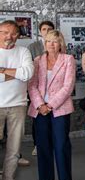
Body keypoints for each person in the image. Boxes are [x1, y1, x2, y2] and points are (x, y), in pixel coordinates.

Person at [28, 30, 76, 180]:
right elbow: (32, 85)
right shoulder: (37, 60)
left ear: (60, 43)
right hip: (39, 109)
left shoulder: (68, 60)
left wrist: (50, 105)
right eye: (48, 41)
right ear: (44, 43)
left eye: (55, 41)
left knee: (61, 144)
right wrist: (41, 105)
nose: (51, 44)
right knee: (43, 145)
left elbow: (68, 87)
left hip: (59, 108)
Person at [0, 20, 34, 180]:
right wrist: (16, 73)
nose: (9, 36)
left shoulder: (23, 51)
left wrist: (3, 70)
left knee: (13, 150)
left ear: (18, 36)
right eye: (5, 32)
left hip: (18, 106)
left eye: (13, 33)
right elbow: (21, 74)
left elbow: (28, 74)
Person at [27, 20, 55, 157]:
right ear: (40, 31)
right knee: (37, 121)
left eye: (50, 28)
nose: (47, 31)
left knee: (54, 121)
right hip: (37, 90)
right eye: (44, 29)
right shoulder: (33, 47)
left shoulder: (58, 45)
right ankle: (37, 144)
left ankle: (51, 143)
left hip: (54, 93)